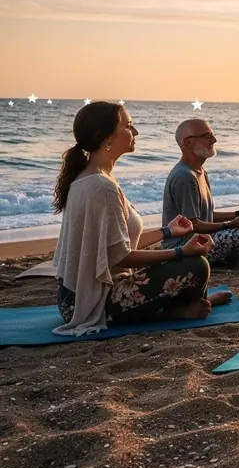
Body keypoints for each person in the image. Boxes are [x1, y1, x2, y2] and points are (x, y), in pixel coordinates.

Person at [51, 101, 227, 336]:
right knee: (195, 264)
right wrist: (181, 252)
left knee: (189, 262)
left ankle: (185, 305)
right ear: (106, 137)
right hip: (89, 302)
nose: (135, 132)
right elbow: (122, 256)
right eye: (129, 126)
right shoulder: (101, 186)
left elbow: (117, 244)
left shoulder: (96, 177)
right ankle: (173, 311)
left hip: (77, 296)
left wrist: (168, 232)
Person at [163, 118, 239, 269]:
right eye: (207, 136)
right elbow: (193, 225)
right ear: (188, 143)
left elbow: (208, 215)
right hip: (186, 246)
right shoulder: (185, 177)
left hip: (204, 238)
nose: (214, 140)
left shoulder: (200, 172)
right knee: (237, 234)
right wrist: (230, 224)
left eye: (212, 135)